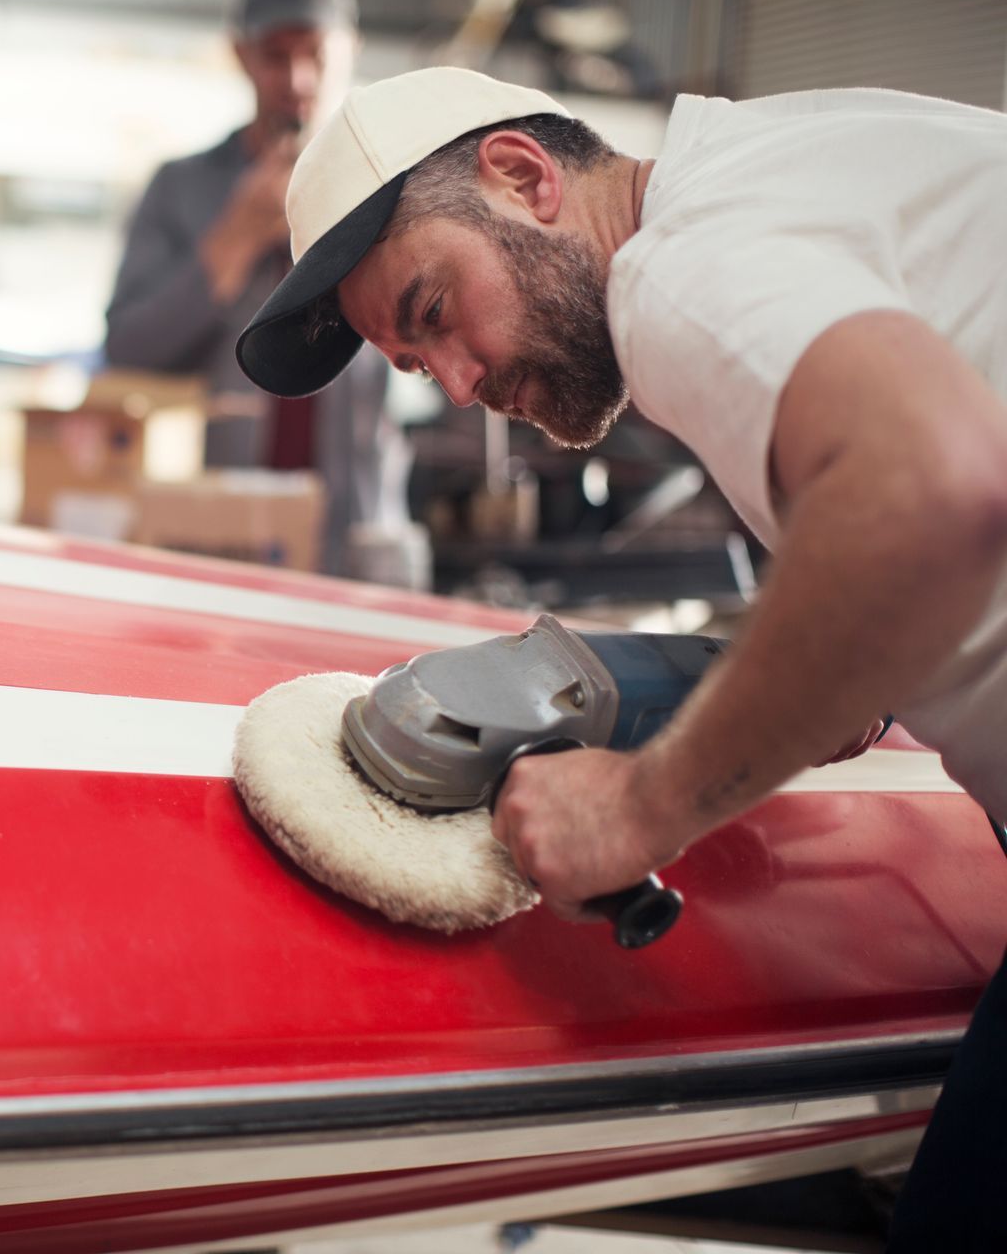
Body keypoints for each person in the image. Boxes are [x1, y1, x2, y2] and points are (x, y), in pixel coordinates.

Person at [234, 66, 1007, 1249]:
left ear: (523, 176)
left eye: (435, 311)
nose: (461, 384)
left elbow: (932, 485)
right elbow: (881, 621)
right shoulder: (779, 162)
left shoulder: (679, 270)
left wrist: (644, 806)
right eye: (414, 367)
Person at [103, 0, 410, 577]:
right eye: (275, 56)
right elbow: (126, 351)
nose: (297, 81)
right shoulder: (181, 189)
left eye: (315, 55)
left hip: (358, 540)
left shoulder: (393, 187)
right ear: (241, 56)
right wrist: (234, 239)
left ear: (350, 51)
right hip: (221, 538)